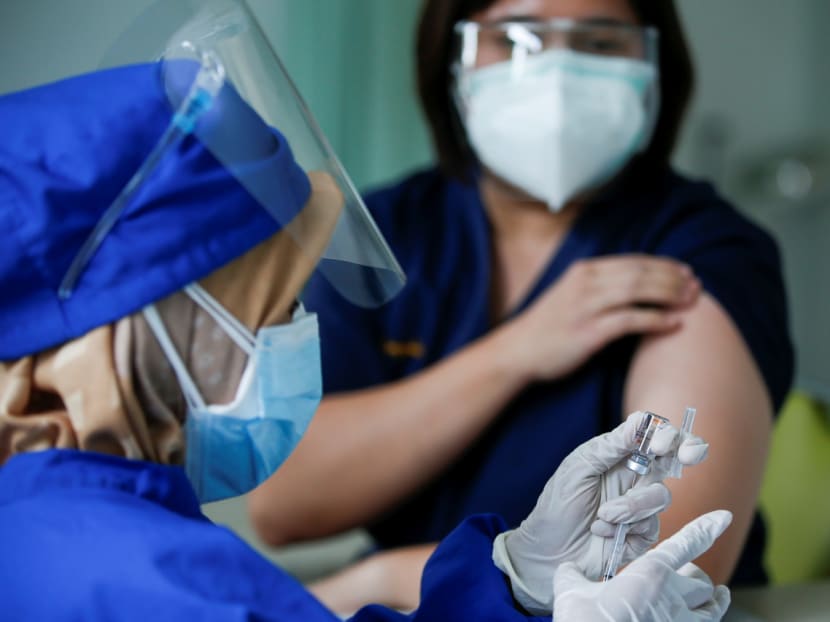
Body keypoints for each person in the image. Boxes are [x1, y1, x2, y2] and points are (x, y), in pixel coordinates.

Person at [0, 4, 733, 619]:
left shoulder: (64, 531)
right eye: (270, 307)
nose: (290, 334)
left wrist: (513, 576)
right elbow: (289, 511)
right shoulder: (151, 583)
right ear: (104, 341)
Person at [248, 0, 794, 611]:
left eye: (601, 43)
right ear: (450, 62)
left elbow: (655, 567)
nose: (557, 74)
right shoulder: (389, 232)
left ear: (654, 64)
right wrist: (517, 352)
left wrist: (379, 580)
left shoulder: (700, 248)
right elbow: (283, 501)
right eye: (514, 40)